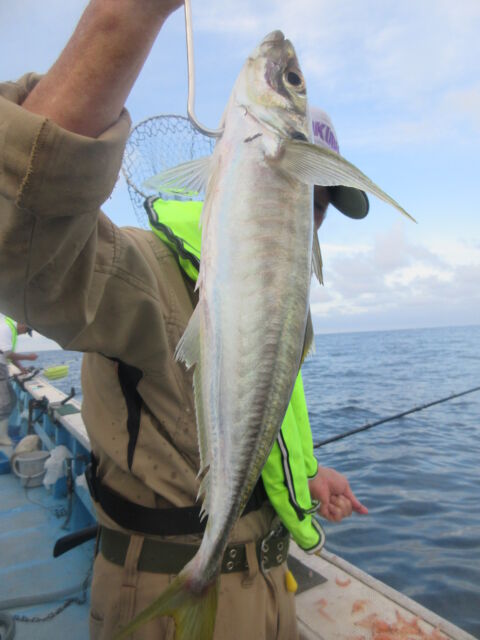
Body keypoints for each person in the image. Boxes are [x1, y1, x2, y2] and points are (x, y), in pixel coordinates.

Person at [0, 2, 368, 638]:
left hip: (271, 588)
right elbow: (20, 251)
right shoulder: (144, 271)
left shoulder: (280, 313)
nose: (306, 210)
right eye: (305, 182)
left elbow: (254, 423)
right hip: (164, 588)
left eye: (320, 202)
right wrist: (126, 17)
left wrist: (304, 479)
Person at [0, 316, 37, 446]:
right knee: (5, 403)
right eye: (27, 330)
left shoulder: (10, 330)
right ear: (23, 324)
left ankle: (2, 432)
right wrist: (28, 357)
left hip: (3, 367)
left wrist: (21, 368)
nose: (24, 333)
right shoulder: (6, 328)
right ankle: (1, 437)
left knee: (12, 399)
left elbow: (7, 354)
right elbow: (7, 354)